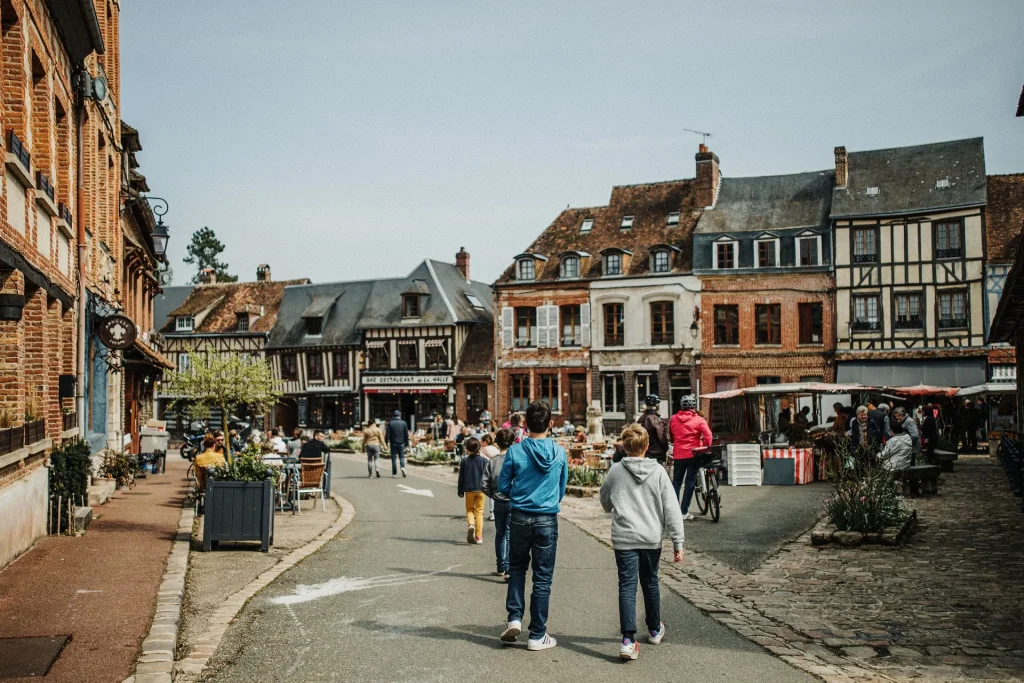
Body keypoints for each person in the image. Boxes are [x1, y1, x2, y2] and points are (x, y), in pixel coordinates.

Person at [599, 424, 684, 660]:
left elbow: (605, 501)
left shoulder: (616, 471)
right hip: (651, 538)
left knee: (627, 586)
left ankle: (628, 639)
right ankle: (655, 628)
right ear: (647, 446)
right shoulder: (658, 473)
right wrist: (678, 541)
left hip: (625, 538)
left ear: (624, 447)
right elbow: (672, 509)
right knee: (650, 582)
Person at [498, 400, 569, 652]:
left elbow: (502, 486)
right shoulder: (559, 453)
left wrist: (520, 492)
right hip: (546, 518)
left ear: (525, 425)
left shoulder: (516, 452)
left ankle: (514, 618)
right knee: (542, 577)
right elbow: (561, 488)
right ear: (550, 424)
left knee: (517, 569)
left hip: (519, 516)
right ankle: (537, 634)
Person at [668, 395, 712, 521]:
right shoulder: (699, 419)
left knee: (676, 482)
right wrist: (707, 447)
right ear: (694, 407)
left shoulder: (673, 419)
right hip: (694, 454)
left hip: (678, 454)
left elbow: (671, 435)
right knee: (690, 482)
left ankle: (675, 511)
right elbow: (708, 435)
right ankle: (684, 511)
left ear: (681, 406)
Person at [482, 428, 516, 579]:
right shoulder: (516, 460)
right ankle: (509, 568)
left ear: (497, 443)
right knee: (510, 535)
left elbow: (484, 484)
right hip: (514, 502)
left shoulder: (492, 462)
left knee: (500, 534)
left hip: (498, 501)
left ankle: (500, 566)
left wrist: (493, 495)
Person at [457, 437, 487, 544]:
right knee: (479, 512)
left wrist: (460, 490)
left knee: (469, 509)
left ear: (467, 449)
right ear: (479, 447)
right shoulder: (484, 461)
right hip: (481, 490)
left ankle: (471, 525)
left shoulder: (465, 461)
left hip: (469, 489)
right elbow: (487, 476)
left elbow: (461, 477)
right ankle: (479, 537)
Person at [636, 394, 669, 463]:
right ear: (656, 405)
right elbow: (662, 438)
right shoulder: (656, 419)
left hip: (643, 453)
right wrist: (666, 448)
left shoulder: (641, 418)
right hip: (655, 454)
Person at [385, 410, 410, 478]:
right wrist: (407, 443)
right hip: (401, 442)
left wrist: (386, 442)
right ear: (400, 415)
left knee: (393, 458)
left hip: (393, 442)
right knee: (401, 456)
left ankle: (394, 473)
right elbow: (406, 434)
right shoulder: (404, 423)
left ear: (394, 415)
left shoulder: (391, 423)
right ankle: (402, 467)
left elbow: (388, 434)